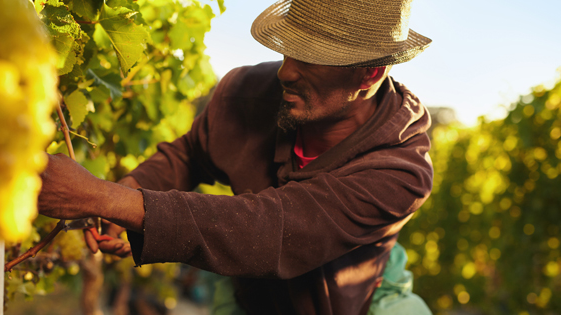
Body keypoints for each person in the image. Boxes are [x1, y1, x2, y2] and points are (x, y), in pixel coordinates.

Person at [38, 0, 434, 314]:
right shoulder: (246, 92)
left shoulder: (401, 170)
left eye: (310, 57)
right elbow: (190, 153)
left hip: (350, 298)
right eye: (287, 49)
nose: (286, 72)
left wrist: (104, 197)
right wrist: (131, 192)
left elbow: (273, 230)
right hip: (252, 288)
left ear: (369, 74)